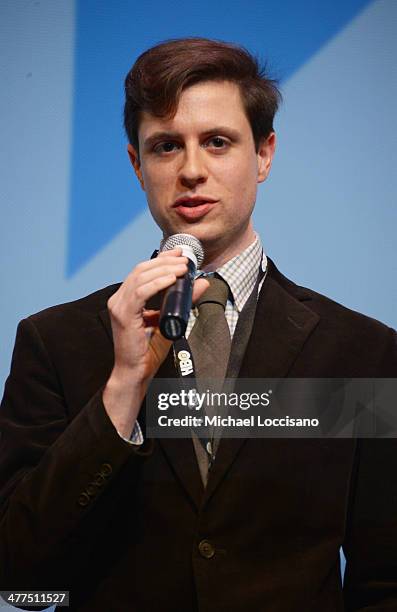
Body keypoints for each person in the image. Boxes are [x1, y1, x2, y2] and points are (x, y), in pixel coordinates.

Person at [0, 37, 396, 612]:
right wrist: (123, 389)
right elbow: (17, 569)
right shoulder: (54, 342)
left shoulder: (363, 351)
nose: (191, 170)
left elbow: (384, 580)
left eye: (217, 142)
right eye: (165, 146)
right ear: (137, 165)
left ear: (263, 154)